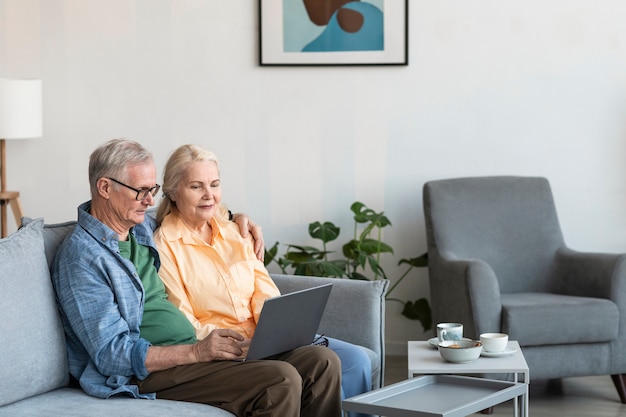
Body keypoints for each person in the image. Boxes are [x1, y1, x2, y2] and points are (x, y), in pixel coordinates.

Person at [51, 138, 343, 417]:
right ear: (104, 187)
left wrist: (237, 217)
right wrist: (198, 351)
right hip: (146, 373)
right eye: (141, 191)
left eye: (152, 189)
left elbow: (193, 208)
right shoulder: (81, 258)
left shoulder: (138, 228)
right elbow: (110, 355)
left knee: (321, 362)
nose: (149, 199)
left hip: (192, 352)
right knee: (278, 380)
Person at [153, 144, 372, 415]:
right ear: (173, 192)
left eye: (215, 184)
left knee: (324, 361)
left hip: (260, 340)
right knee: (286, 375)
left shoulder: (235, 231)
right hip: (220, 348)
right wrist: (237, 343)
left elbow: (263, 288)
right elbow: (183, 320)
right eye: (196, 187)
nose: (209, 195)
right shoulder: (165, 245)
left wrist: (269, 332)